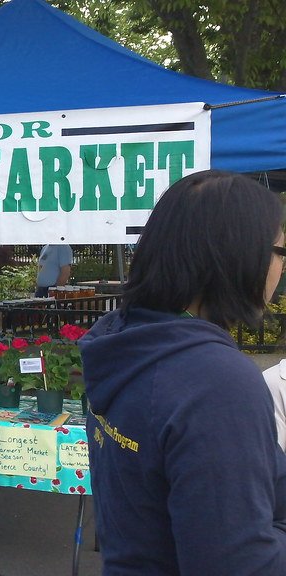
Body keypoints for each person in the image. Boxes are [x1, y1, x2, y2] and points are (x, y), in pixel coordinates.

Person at [79, 170, 286, 575]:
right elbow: (238, 564)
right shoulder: (213, 380)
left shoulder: (123, 339)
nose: (280, 269)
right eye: (281, 252)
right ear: (240, 255)